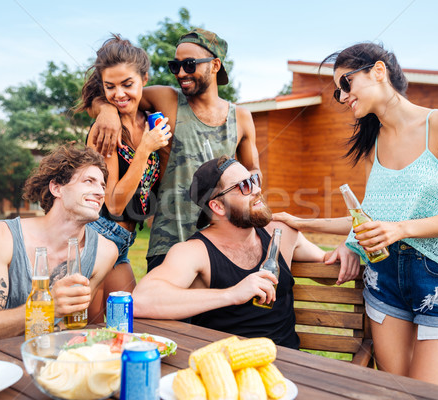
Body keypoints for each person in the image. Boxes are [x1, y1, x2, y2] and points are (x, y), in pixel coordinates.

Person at [275, 42, 438, 386]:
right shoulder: (372, 145)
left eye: (346, 84)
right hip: (383, 278)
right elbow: (368, 218)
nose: (342, 97)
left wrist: (399, 228)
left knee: (424, 393)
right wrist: (308, 225)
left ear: (379, 71)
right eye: (338, 91)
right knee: (394, 390)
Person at [132, 156, 361, 349]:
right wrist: (232, 293)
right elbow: (141, 301)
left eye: (254, 179)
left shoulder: (281, 234)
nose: (257, 189)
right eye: (244, 186)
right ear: (217, 206)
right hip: (229, 370)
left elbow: (327, 264)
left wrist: (346, 247)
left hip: (291, 366)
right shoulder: (195, 252)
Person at [88, 28, 261, 272]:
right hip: (168, 240)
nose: (181, 73)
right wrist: (106, 112)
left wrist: (252, 185)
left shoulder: (241, 118)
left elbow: (253, 169)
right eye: (175, 65)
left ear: (214, 65)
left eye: (189, 65)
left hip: (220, 242)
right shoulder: (165, 98)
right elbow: (120, 95)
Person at [0, 145, 132, 350]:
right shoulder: (1, 236)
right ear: (56, 188)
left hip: (32, 359)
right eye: (88, 181)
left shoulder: (105, 252)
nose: (100, 192)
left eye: (102, 185)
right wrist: (48, 307)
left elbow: (71, 324)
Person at [75, 35, 171, 320]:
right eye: (110, 87)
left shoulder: (151, 121)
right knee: (86, 328)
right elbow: (115, 204)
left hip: (121, 243)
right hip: (95, 236)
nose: (119, 94)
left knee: (125, 322)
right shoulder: (105, 131)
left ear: (144, 78)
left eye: (127, 84)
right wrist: (145, 149)